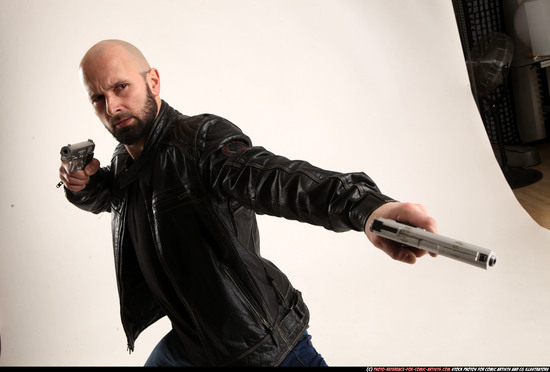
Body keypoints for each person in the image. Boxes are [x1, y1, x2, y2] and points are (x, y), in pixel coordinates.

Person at [59, 39, 438, 367]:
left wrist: (368, 208)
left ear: (152, 81)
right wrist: (84, 187)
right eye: (98, 97)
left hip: (258, 346)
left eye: (121, 87)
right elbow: (117, 198)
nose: (112, 107)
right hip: (192, 345)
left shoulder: (200, 141)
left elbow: (274, 178)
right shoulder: (125, 160)